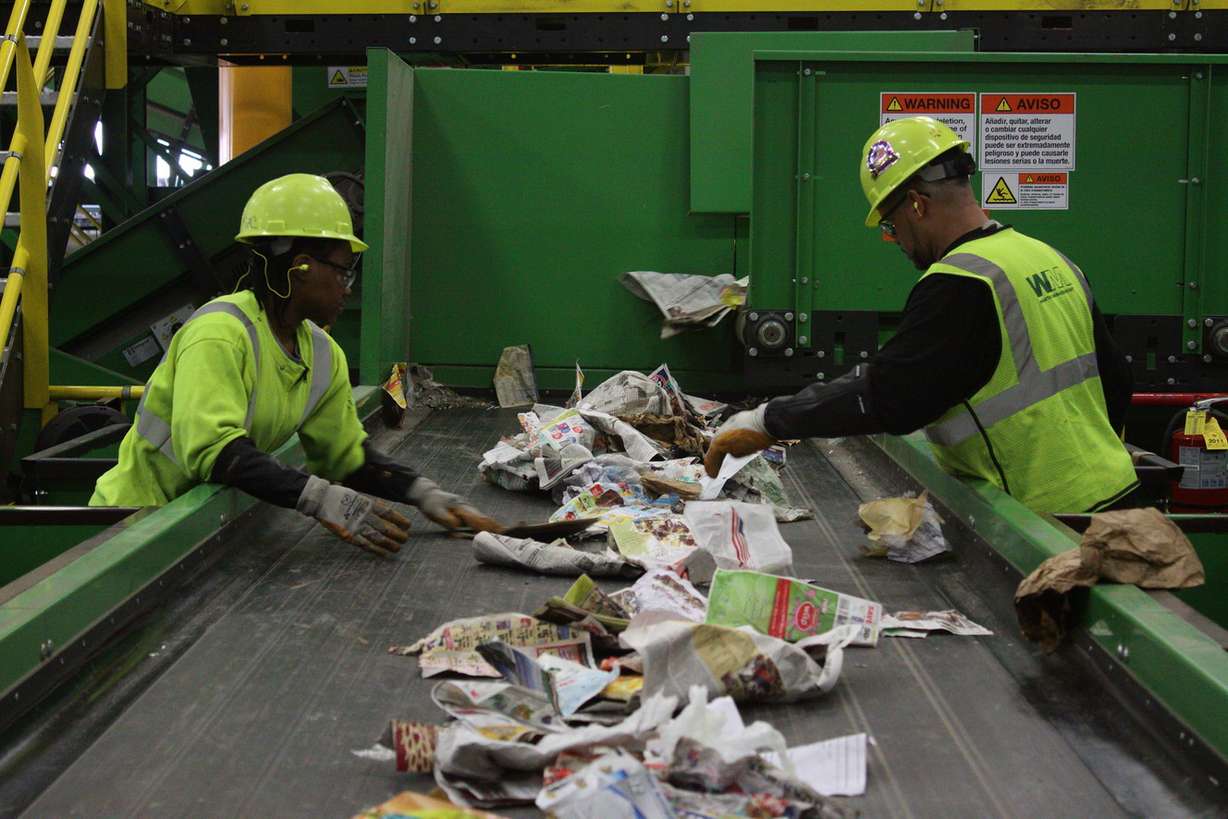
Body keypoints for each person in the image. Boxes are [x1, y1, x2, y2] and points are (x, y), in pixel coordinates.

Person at [705, 117, 1139, 514]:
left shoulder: (961, 282)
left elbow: (888, 395)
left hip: (1047, 520)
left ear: (916, 204)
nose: (896, 242)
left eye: (891, 228)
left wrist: (766, 421)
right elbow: (1117, 378)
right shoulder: (1049, 257)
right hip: (1118, 496)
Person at [91, 173, 500, 555]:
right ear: (300, 266)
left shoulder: (321, 354)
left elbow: (346, 458)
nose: (347, 286)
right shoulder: (219, 334)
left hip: (197, 534)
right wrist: (321, 499)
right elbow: (217, 453)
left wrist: (424, 494)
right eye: (343, 270)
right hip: (132, 529)